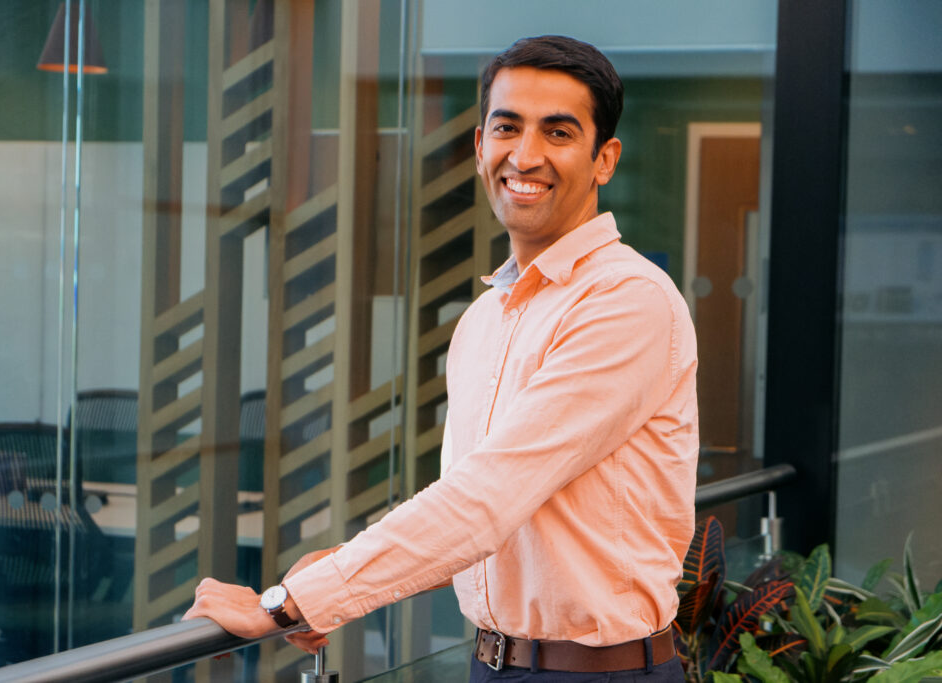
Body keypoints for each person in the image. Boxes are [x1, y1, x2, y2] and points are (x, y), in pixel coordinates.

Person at [185, 35, 698, 682]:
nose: (526, 154)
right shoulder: (484, 318)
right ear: (481, 146)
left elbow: (490, 499)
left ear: (605, 159)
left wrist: (289, 604)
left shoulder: (628, 301)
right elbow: (467, 498)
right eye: (507, 127)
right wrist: (341, 564)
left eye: (558, 132)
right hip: (489, 661)